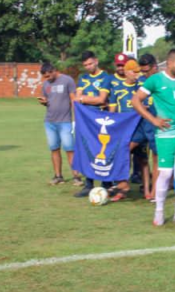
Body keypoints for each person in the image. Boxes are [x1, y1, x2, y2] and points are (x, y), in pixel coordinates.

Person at [131, 49, 175, 226]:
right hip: (166, 134)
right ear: (169, 63)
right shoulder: (155, 80)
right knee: (166, 172)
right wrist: (153, 119)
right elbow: (136, 101)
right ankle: (159, 211)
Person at [73, 51, 115, 197]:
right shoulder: (82, 78)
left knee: (102, 150)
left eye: (90, 63)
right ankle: (88, 184)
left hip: (100, 120)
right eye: (85, 65)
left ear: (96, 61)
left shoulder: (105, 78)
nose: (88, 67)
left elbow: (102, 99)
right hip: (85, 120)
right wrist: (88, 98)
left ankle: (106, 183)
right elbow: (76, 97)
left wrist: (84, 99)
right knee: (86, 150)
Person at [105, 58, 144, 201]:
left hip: (139, 127)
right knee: (122, 154)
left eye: (138, 72)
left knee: (141, 159)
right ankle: (122, 187)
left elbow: (146, 106)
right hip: (123, 129)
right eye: (135, 72)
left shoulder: (142, 87)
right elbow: (112, 111)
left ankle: (145, 189)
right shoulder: (117, 89)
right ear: (127, 72)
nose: (137, 75)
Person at [38, 62, 76, 184]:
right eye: (45, 77)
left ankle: (76, 176)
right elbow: (47, 99)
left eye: (48, 76)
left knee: (69, 149)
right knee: (54, 149)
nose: (47, 79)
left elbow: (73, 100)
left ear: (54, 70)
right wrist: (44, 101)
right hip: (49, 122)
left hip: (65, 122)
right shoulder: (45, 84)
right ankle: (58, 176)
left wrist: (75, 119)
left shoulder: (67, 80)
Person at [136, 53, 160, 200]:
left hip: (156, 124)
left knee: (157, 158)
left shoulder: (162, 80)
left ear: (155, 67)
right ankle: (120, 185)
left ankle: (155, 191)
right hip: (141, 124)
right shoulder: (140, 81)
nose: (144, 74)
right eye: (142, 71)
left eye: (146, 71)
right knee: (125, 148)